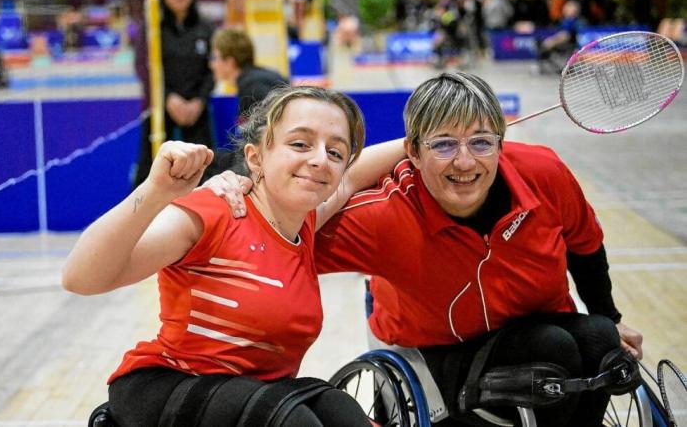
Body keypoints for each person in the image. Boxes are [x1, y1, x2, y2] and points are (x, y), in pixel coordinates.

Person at [208, 72, 644, 427]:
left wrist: (610, 315)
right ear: (412, 152)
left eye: (480, 141)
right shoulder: (382, 215)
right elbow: (279, 233)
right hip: (436, 356)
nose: (465, 162)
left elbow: (585, 245)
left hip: (539, 327)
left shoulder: (544, 172)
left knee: (602, 339)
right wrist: (244, 190)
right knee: (555, 351)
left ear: (499, 145)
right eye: (443, 144)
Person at [62, 86, 405, 426]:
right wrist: (155, 192)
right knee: (293, 421)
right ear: (256, 157)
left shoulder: (305, 222)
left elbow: (350, 180)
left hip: (258, 397)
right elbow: (80, 278)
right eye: (300, 144)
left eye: (335, 152)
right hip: (169, 387)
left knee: (339, 409)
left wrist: (423, 144)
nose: (319, 159)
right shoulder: (217, 211)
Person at [133, 0, 220, 188]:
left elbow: (213, 69)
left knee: (206, 165)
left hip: (196, 110)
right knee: (149, 168)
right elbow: (144, 68)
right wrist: (167, 98)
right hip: (160, 110)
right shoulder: (153, 28)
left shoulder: (206, 28)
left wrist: (199, 101)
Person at [210, 27, 289, 123]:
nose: (211, 64)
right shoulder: (260, 76)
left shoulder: (251, 86)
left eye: (214, 58)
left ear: (230, 62)